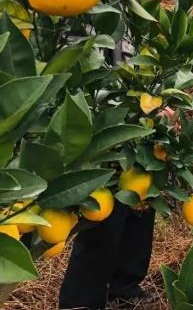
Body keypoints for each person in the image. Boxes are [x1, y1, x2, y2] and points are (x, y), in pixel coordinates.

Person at [59, 107, 177, 309]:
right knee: (104, 214)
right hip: (117, 109)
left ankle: (123, 287)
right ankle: (82, 301)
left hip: (147, 117)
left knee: (140, 201)